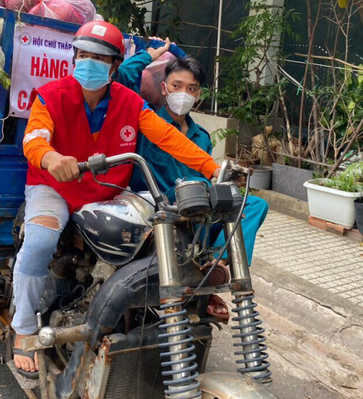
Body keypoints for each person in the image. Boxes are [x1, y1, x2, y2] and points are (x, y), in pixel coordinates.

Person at [13, 21, 220, 378]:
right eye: (83, 55)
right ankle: (23, 328)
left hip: (110, 192)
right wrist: (51, 159)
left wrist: (214, 169)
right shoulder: (51, 95)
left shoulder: (131, 103)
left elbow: (170, 138)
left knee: (165, 231)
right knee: (40, 240)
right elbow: (34, 139)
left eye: (99, 58)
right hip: (54, 188)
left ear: (114, 66)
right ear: (74, 56)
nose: (89, 62)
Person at [117, 43, 269, 317]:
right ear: (164, 88)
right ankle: (204, 288)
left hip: (197, 211)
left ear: (198, 95)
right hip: (159, 208)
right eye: (176, 85)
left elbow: (207, 179)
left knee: (253, 204)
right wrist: (150, 54)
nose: (183, 94)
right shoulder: (145, 120)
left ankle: (214, 271)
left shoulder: (202, 137)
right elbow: (123, 79)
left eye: (191, 89)